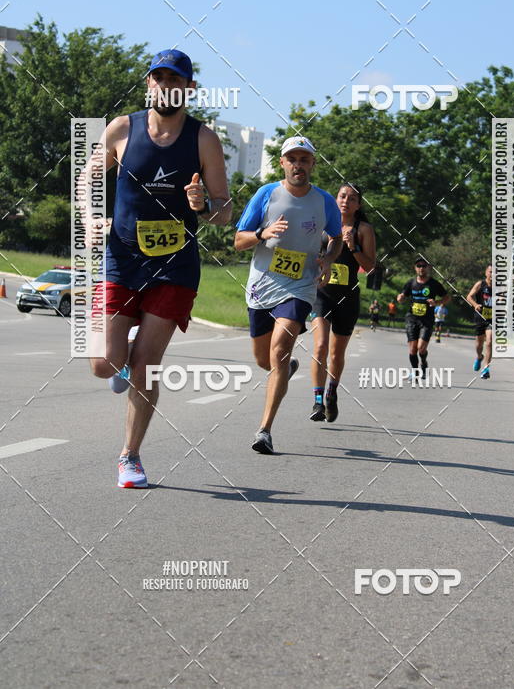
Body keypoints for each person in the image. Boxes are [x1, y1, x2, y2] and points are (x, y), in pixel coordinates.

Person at [89, 49, 230, 488]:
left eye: (175, 79)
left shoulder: (204, 139)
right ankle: (123, 356)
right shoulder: (122, 129)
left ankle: (130, 456)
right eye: (158, 77)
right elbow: (88, 176)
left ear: (188, 88)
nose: (165, 85)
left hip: (174, 266)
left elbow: (223, 211)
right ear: (149, 83)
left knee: (148, 364)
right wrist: (91, 216)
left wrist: (202, 205)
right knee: (103, 365)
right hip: (122, 259)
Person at [234, 136, 342, 454]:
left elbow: (336, 237)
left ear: (313, 164)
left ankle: (264, 430)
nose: (298, 165)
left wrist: (329, 259)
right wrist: (261, 233)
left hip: (300, 287)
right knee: (263, 358)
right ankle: (285, 367)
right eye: (292, 159)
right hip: (261, 285)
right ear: (282, 163)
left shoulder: (324, 202)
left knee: (280, 348)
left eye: (304, 159)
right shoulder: (266, 194)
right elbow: (238, 240)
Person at [309, 183, 376, 423]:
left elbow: (369, 266)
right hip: (321, 294)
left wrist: (353, 247)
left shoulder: (363, 229)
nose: (346, 201)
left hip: (348, 297)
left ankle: (331, 392)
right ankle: (317, 401)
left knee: (337, 354)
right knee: (320, 347)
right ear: (335, 199)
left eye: (352, 198)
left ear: (358, 205)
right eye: (342, 196)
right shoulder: (322, 223)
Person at [397, 257, 449, 378]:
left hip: (427, 320)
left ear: (428, 268)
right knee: (412, 350)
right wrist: (400, 298)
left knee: (421, 348)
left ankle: (424, 363)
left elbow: (447, 297)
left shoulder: (434, 284)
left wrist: (436, 303)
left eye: (423, 266)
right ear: (415, 268)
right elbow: (402, 296)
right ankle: (416, 371)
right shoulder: (410, 283)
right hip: (412, 318)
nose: (421, 268)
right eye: (418, 266)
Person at [466, 264, 493, 379]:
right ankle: (479, 357)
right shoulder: (480, 284)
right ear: (486, 273)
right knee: (479, 345)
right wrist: (476, 304)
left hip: (492, 319)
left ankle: (486, 368)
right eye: (491, 272)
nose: (493, 275)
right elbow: (469, 297)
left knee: (490, 342)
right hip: (480, 317)